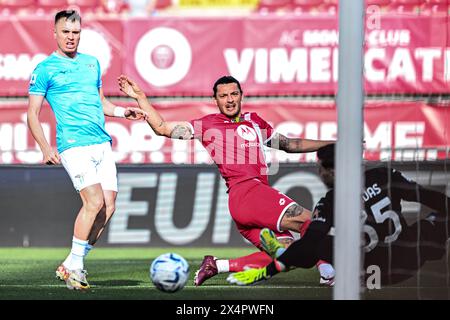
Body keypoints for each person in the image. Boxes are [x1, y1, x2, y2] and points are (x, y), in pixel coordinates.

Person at [117, 74, 335, 286]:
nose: (230, 100)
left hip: (249, 203)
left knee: (289, 256)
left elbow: (289, 144)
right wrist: (140, 97)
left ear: (241, 95)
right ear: (215, 100)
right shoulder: (208, 124)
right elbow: (162, 128)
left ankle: (217, 265)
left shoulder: (254, 122)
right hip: (247, 193)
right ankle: (328, 272)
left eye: (234, 94)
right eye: (223, 96)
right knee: (312, 222)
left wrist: (331, 144)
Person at [27, 10, 147, 291]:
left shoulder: (91, 64)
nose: (71, 37)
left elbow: (101, 102)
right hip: (74, 144)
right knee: (93, 203)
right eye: (66, 32)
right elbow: (33, 113)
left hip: (101, 142)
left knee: (109, 207)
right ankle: (77, 270)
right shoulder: (44, 69)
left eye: (76, 32)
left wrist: (122, 112)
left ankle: (70, 262)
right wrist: (45, 148)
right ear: (54, 33)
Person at [227, 143, 450, 286]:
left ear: (332, 170)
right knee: (435, 222)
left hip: (374, 277)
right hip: (410, 259)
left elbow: (309, 246)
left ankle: (327, 270)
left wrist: (266, 272)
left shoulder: (330, 202)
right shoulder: (383, 175)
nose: (320, 173)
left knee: (320, 242)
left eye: (321, 168)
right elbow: (426, 196)